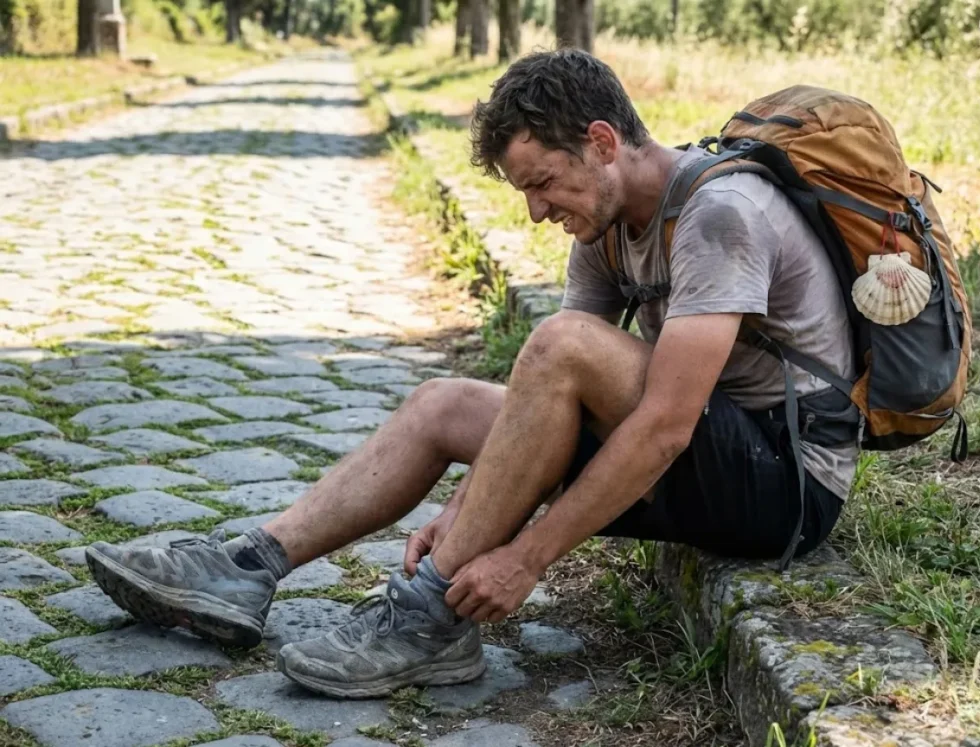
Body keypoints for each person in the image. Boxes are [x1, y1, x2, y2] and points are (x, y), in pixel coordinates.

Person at [85, 49, 857, 700]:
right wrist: (470, 509)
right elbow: (541, 407)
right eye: (525, 192)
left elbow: (661, 424)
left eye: (543, 183)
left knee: (562, 343)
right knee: (444, 403)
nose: (535, 211)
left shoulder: (721, 215)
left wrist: (523, 557)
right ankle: (248, 565)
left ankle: (427, 621)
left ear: (601, 141)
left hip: (784, 481)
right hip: (705, 455)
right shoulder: (605, 227)